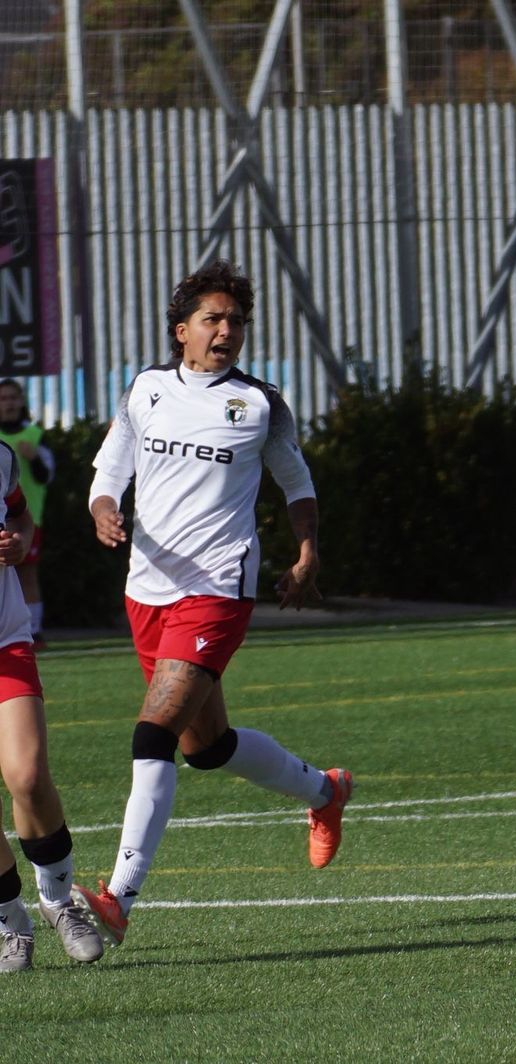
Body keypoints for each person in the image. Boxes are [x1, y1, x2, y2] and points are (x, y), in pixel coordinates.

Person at [70, 261, 353, 950]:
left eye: (236, 322)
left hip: (218, 589)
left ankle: (118, 899)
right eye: (213, 320)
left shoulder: (259, 403)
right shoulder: (147, 390)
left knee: (153, 735)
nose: (226, 331)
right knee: (208, 748)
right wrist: (104, 509)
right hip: (148, 588)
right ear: (182, 331)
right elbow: (111, 469)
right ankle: (326, 792)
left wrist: (307, 551)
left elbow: (297, 483)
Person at [0, 444, 104, 971]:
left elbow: (18, 511)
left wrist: (19, 541)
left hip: (4, 643)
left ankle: (59, 902)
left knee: (29, 776)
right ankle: (10, 922)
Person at [0, 380, 57, 645]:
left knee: (26, 573)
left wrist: (34, 458)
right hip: (7, 519)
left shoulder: (34, 435)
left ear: (21, 401)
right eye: (3, 398)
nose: (9, 403)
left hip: (28, 516)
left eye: (13, 397)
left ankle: (34, 630)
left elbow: (48, 475)